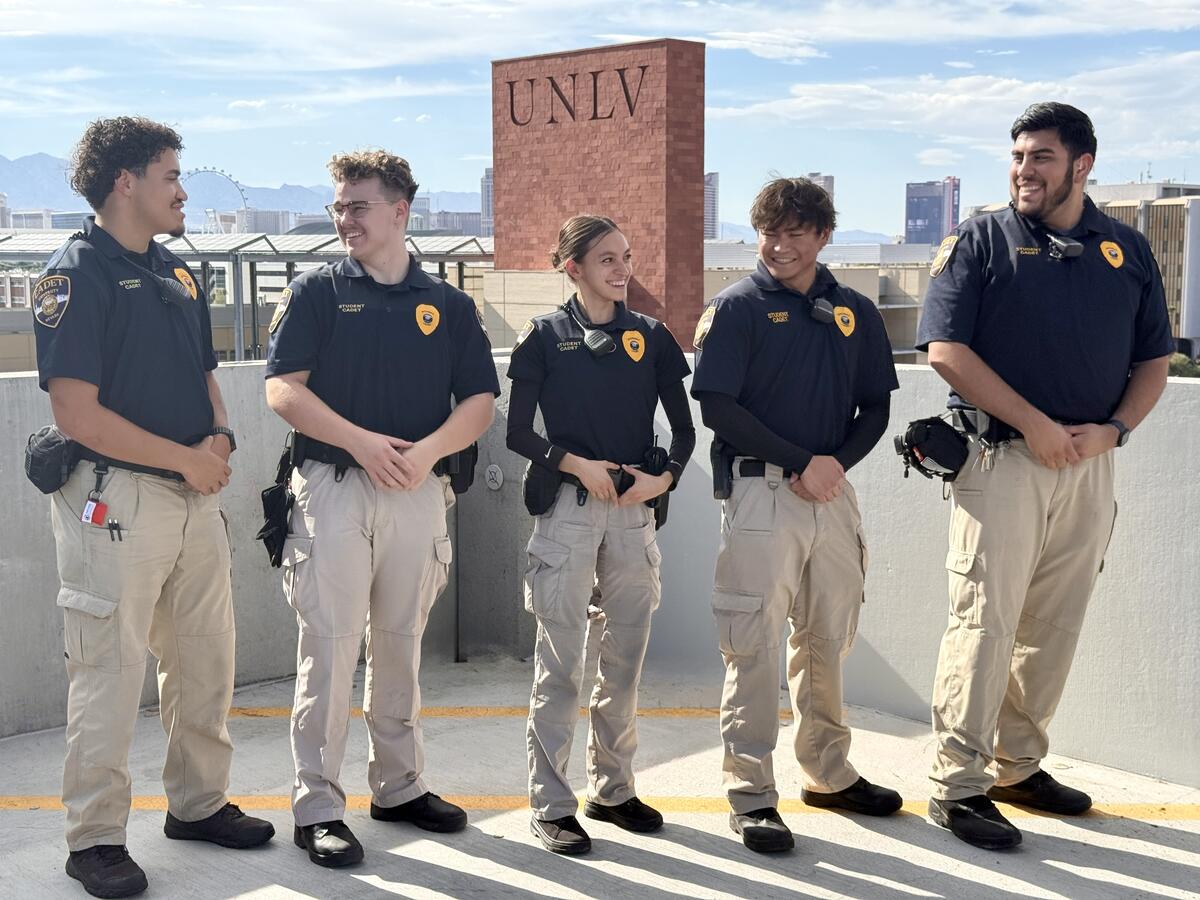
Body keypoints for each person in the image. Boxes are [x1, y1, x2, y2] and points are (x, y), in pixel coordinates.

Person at [916, 102, 1173, 849]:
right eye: (1019, 156)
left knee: (1053, 625)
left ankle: (1016, 766)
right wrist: (1033, 422)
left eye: (1041, 158)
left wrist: (1115, 430)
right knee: (983, 623)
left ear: (1082, 164)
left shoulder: (1123, 249)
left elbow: (1153, 359)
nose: (1024, 170)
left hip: (1089, 467)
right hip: (1004, 460)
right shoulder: (981, 239)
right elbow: (945, 349)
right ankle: (958, 784)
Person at [32, 116, 274, 899]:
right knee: (108, 668)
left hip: (191, 496)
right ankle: (95, 839)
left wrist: (224, 438)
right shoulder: (75, 274)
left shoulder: (177, 274)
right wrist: (186, 459)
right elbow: (76, 413)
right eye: (171, 175)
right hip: (117, 501)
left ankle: (198, 805)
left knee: (205, 657)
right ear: (125, 182)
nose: (183, 189)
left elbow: (207, 375)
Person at [265, 149, 499, 867]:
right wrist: (363, 443)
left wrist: (426, 455)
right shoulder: (316, 293)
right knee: (331, 649)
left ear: (401, 212)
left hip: (419, 492)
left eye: (358, 205)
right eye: (339, 206)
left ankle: (399, 786)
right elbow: (283, 390)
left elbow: (481, 404)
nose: (345, 218)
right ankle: (319, 806)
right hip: (335, 488)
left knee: (400, 641)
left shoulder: (450, 306)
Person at [691, 178, 901, 853]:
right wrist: (800, 461)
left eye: (796, 232)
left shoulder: (854, 313)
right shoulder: (736, 308)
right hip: (764, 494)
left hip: (831, 494)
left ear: (823, 236)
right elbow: (718, 406)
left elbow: (876, 405)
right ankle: (751, 792)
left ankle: (829, 772)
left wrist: (834, 463)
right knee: (753, 643)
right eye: (769, 231)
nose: (780, 245)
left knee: (827, 637)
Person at [507, 215, 695, 854]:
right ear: (573, 267)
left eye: (626, 257)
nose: (622, 269)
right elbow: (517, 434)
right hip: (566, 512)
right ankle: (553, 804)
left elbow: (686, 432)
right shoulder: (544, 337)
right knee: (561, 664)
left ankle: (613, 791)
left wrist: (662, 479)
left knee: (625, 660)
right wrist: (575, 463)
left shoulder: (652, 337)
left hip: (633, 514)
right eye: (608, 259)